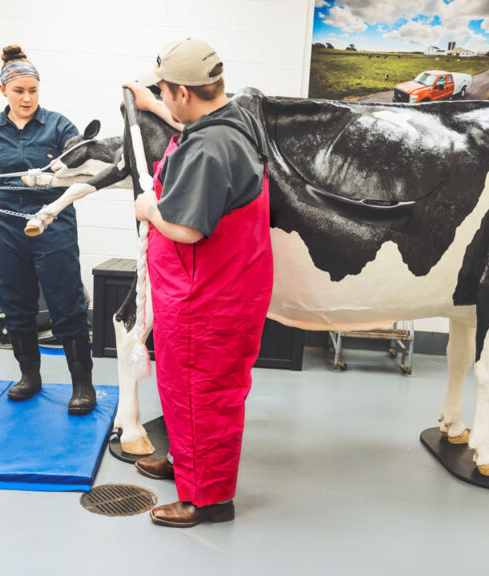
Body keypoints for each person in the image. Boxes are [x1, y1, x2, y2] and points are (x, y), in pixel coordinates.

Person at [127, 38, 273, 527]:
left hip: (206, 297)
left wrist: (149, 210)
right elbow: (195, 129)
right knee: (181, 385)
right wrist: (150, 105)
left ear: (185, 94)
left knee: (202, 393)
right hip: (222, 286)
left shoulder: (209, 149)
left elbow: (187, 228)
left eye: (164, 92)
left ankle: (207, 500)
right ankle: (186, 464)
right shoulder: (233, 117)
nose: (163, 99)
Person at [0, 45, 95, 415]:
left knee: (67, 302)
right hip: (5, 226)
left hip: (52, 224)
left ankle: (83, 384)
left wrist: (69, 160)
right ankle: (29, 376)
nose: (27, 97)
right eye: (19, 91)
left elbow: (79, 155)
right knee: (15, 304)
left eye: (33, 90)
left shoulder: (59, 125)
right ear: (4, 90)